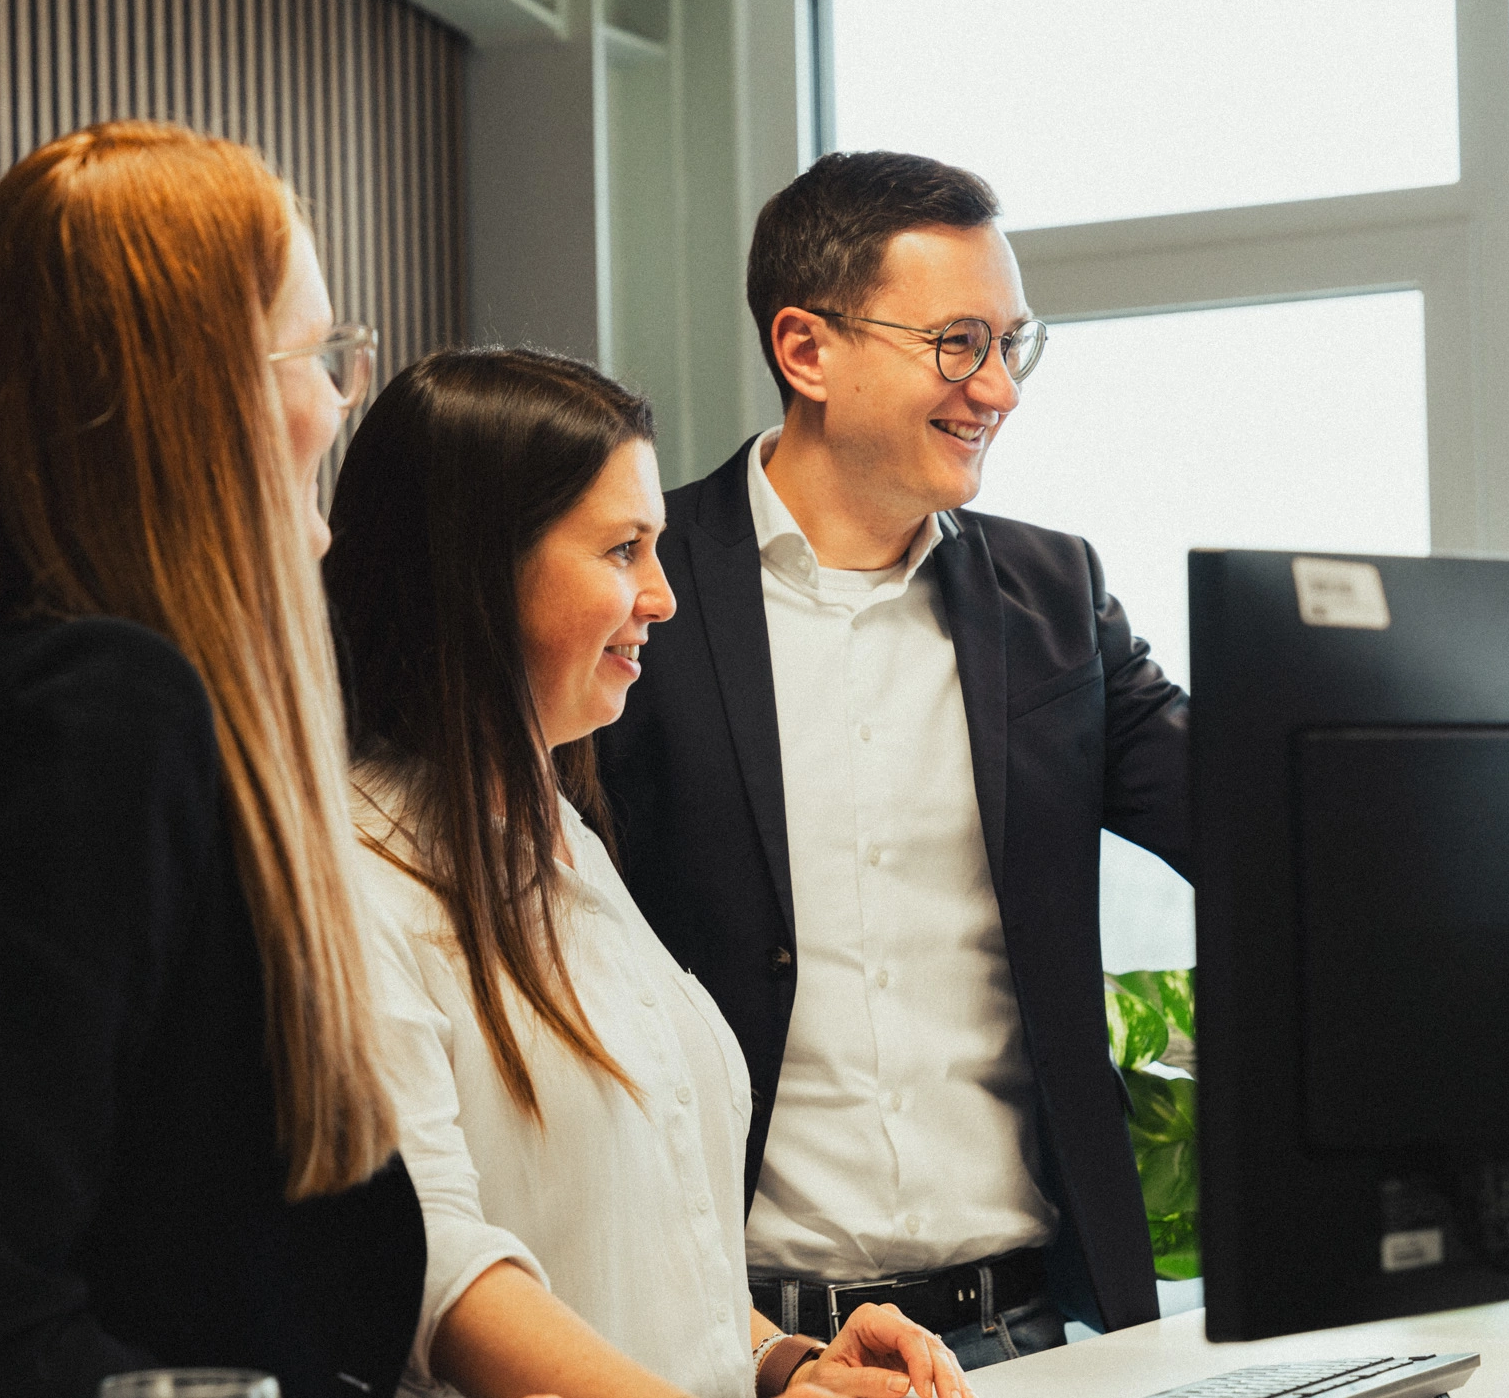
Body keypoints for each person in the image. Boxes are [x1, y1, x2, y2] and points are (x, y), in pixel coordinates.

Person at [0, 120, 419, 1398]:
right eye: (312, 355)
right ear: (187, 394)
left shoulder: (89, 700)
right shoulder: (93, 715)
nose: (337, 400)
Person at [593, 151, 1192, 1367]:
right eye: (958, 344)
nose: (999, 392)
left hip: (1028, 1333)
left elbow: (1251, 820)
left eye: (1012, 345)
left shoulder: (1053, 595)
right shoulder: (641, 591)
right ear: (806, 350)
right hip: (739, 1344)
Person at [323, 348, 972, 1398]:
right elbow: (438, 1272)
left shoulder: (565, 838)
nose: (662, 597)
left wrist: (778, 1364)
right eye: (622, 550)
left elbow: (652, 1230)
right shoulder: (354, 874)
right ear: (477, 572)